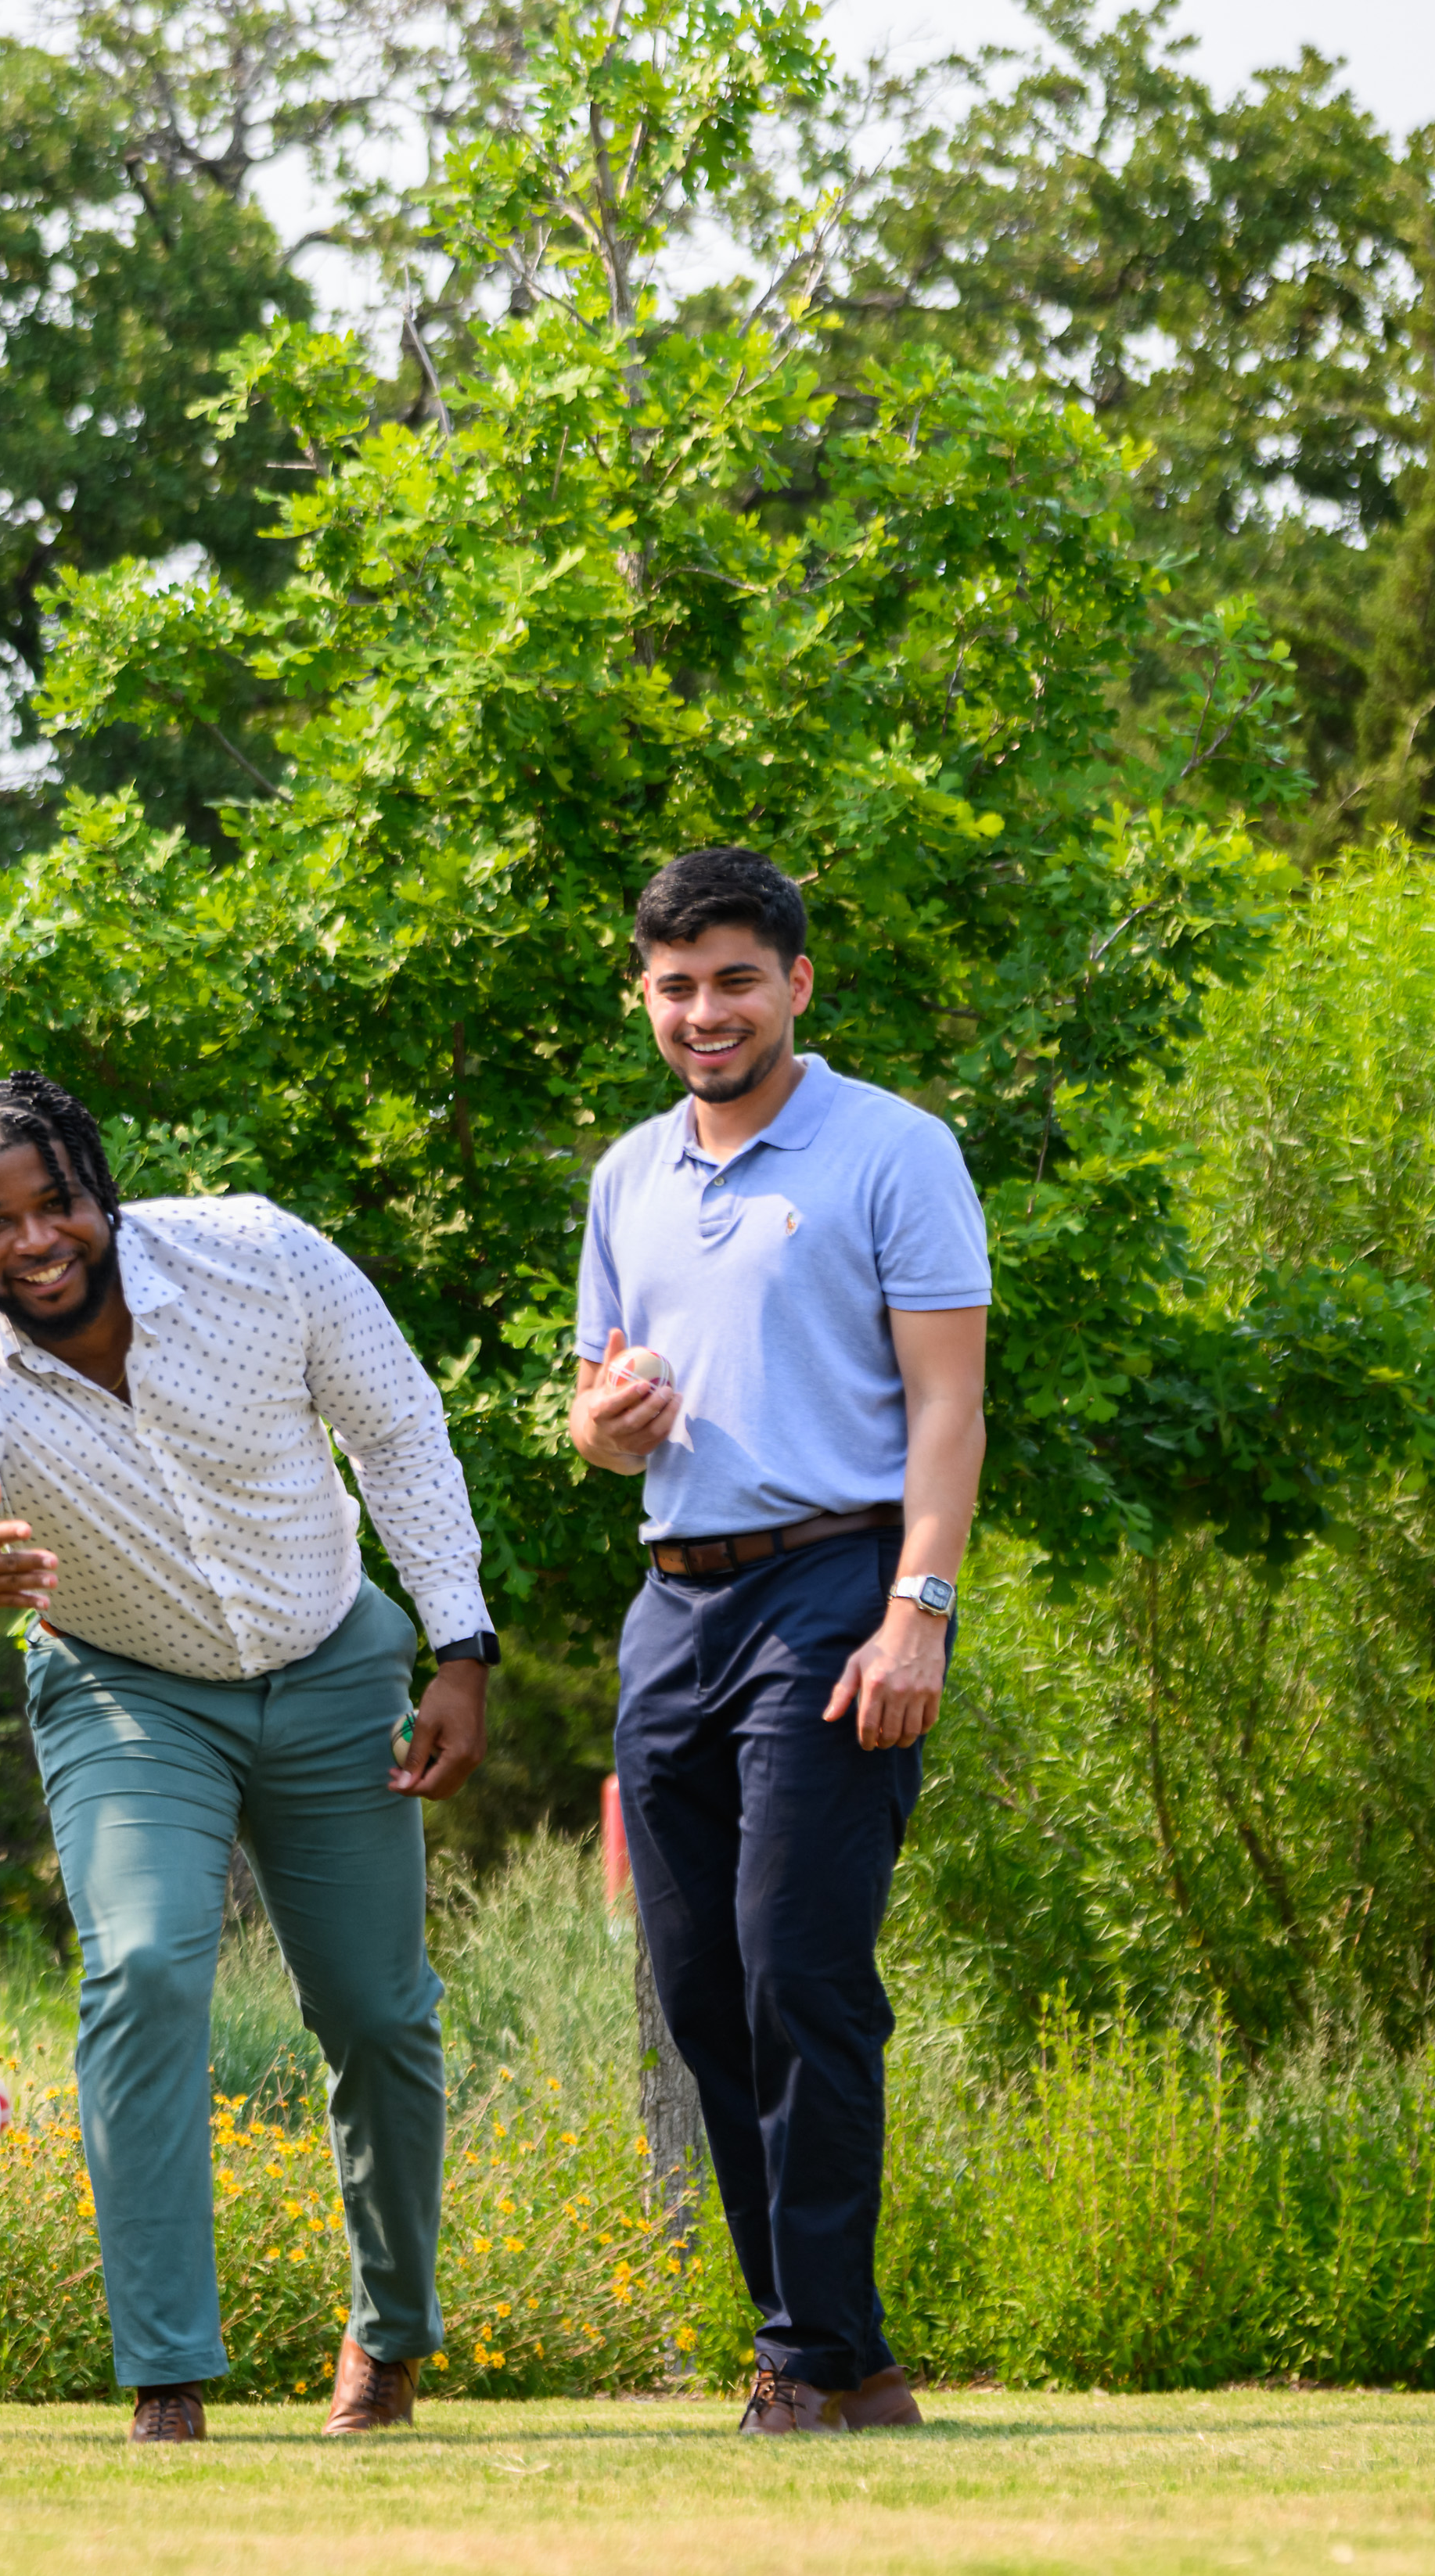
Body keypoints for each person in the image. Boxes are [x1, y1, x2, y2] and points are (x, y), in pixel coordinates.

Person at [0, 1077, 499, 2444]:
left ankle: (387, 2341)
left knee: (379, 2015)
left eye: (57, 1204)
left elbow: (397, 1429)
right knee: (146, 1965)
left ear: (100, 1189)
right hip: (126, 1691)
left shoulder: (257, 1255)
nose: (36, 1241)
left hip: (332, 1662)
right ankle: (168, 2378)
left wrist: (462, 1646)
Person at [569, 847, 991, 2435]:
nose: (704, 1013)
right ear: (646, 996)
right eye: (675, 987)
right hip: (673, 1600)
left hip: (839, 1586)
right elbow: (596, 1421)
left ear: (797, 983)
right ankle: (842, 2349)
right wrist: (606, 1426)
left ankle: (805, 2357)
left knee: (800, 1973)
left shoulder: (894, 1150)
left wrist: (917, 1612)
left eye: (736, 979)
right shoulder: (628, 1178)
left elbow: (949, 1406)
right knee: (702, 1992)